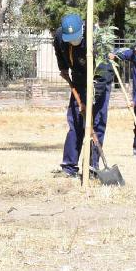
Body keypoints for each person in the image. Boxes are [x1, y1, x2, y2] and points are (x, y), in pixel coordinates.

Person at [53, 14, 114, 178]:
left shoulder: (95, 40)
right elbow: (59, 50)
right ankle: (69, 166)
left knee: (96, 124)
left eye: (76, 37)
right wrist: (63, 68)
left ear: (83, 29)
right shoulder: (60, 35)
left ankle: (92, 167)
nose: (73, 41)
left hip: (98, 82)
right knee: (75, 122)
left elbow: (106, 73)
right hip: (78, 81)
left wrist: (93, 97)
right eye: (70, 38)